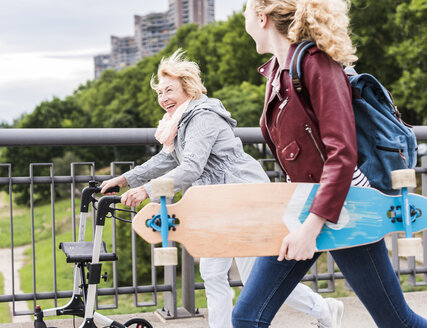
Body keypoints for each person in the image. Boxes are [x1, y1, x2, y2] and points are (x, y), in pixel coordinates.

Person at [101, 49, 339, 328]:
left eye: (169, 90)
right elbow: (165, 160)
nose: (163, 98)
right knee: (213, 273)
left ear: (188, 88)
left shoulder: (202, 117)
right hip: (215, 205)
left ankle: (324, 308)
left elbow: (191, 168)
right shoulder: (177, 124)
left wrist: (146, 191)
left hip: (244, 200)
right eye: (159, 92)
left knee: (255, 281)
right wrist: (126, 179)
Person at [232, 0, 427, 327]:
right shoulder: (277, 71)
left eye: (246, 12)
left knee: (397, 322)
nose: (244, 19)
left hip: (346, 208)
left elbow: (342, 152)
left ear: (262, 17)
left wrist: (311, 228)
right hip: (307, 208)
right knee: (247, 317)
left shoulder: (316, 64)